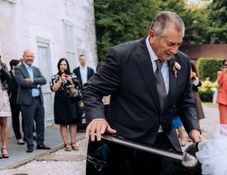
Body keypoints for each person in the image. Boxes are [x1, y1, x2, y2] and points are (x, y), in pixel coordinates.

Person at [83, 10, 202, 151]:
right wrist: (97, 117)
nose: (175, 51)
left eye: (178, 44)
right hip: (129, 143)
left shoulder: (183, 61)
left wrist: (193, 129)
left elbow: (186, 101)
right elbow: (91, 90)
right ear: (152, 35)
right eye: (170, 44)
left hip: (166, 142)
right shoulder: (121, 56)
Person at [14, 49, 49, 152]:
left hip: (38, 100)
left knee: (40, 122)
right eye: (28, 56)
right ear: (23, 57)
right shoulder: (18, 69)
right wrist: (37, 84)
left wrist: (33, 80)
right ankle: (30, 144)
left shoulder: (36, 69)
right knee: (28, 124)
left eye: (31, 56)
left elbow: (44, 80)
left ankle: (40, 143)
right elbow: (22, 83)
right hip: (27, 101)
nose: (30, 58)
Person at [51, 58, 81, 151]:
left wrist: (71, 80)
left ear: (67, 66)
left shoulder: (73, 75)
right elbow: (54, 89)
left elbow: (78, 86)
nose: (63, 66)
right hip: (60, 101)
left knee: (73, 122)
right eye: (61, 64)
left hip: (71, 100)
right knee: (63, 122)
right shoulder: (55, 76)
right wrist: (60, 80)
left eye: (65, 65)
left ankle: (73, 142)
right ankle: (66, 144)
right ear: (58, 66)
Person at [7, 58, 24, 144]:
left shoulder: (22, 73)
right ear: (13, 66)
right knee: (15, 119)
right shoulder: (9, 74)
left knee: (26, 117)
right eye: (19, 65)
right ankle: (18, 137)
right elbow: (10, 87)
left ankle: (27, 135)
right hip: (14, 100)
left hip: (23, 99)